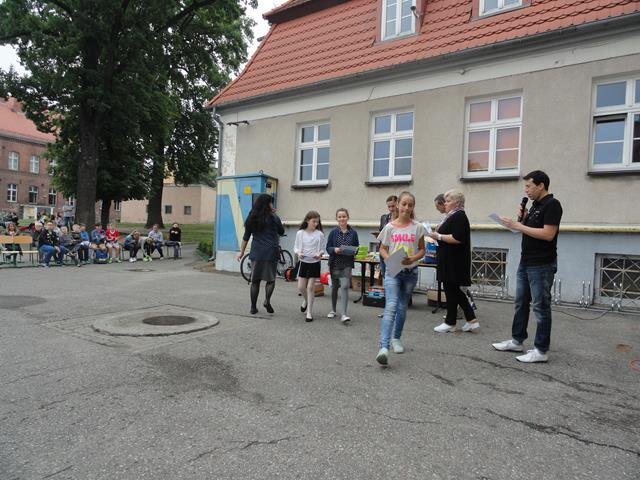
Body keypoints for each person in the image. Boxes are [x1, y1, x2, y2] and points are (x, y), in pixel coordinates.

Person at [492, 170, 563, 363]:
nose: (526, 190)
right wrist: (521, 220)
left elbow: (548, 234)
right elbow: (527, 231)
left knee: (541, 306)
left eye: (529, 186)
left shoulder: (552, 205)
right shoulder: (534, 205)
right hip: (526, 261)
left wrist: (519, 226)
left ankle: (541, 350)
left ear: (541, 185)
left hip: (541, 264)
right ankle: (517, 341)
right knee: (521, 302)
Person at [375, 191, 425, 366]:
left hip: (410, 273)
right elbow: (382, 249)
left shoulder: (418, 227)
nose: (406, 207)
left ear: (413, 207)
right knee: (391, 306)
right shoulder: (390, 227)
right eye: (404, 204)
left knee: (402, 308)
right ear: (398, 205)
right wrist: (389, 259)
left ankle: (396, 338)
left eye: (410, 205)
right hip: (393, 271)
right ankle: (384, 347)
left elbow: (422, 250)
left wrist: (413, 258)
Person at [428, 189, 478, 333]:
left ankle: (450, 322)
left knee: (451, 291)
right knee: (454, 290)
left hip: (454, 260)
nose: (445, 203)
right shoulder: (452, 216)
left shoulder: (458, 216)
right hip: (449, 259)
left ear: (457, 203)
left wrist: (438, 236)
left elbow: (457, 238)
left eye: (448, 201)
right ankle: (471, 320)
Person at [235, 194, 285, 315]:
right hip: (271, 252)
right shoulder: (274, 218)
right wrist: (275, 216)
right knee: (271, 280)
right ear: (267, 204)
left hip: (257, 252)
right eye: (271, 203)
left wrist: (241, 252)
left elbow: (246, 237)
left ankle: (253, 307)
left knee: (255, 281)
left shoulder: (252, 217)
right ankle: (267, 301)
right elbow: (281, 231)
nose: (272, 205)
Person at [326, 208, 359, 324]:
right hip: (335, 262)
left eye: (344, 216)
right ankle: (333, 310)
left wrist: (354, 251)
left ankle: (344, 314)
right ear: (336, 219)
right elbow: (328, 248)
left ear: (347, 217)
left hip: (347, 263)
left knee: (345, 286)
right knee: (335, 287)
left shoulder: (353, 233)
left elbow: (356, 247)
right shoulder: (333, 232)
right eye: (339, 217)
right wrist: (335, 249)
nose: (342, 219)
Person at [294, 211, 325, 322]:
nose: (316, 224)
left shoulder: (319, 234)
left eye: (317, 222)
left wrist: (319, 254)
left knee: (310, 287)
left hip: (314, 263)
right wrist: (299, 253)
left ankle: (309, 313)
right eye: (313, 221)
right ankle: (306, 301)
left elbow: (322, 249)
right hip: (304, 262)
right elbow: (296, 247)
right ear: (307, 220)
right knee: (301, 287)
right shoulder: (300, 233)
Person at [378, 195, 398, 283]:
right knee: (385, 276)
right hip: (384, 250)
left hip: (396, 250)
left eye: (393, 206)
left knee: (395, 277)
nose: (391, 209)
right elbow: (381, 231)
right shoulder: (384, 217)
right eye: (389, 207)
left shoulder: (402, 218)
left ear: (398, 204)